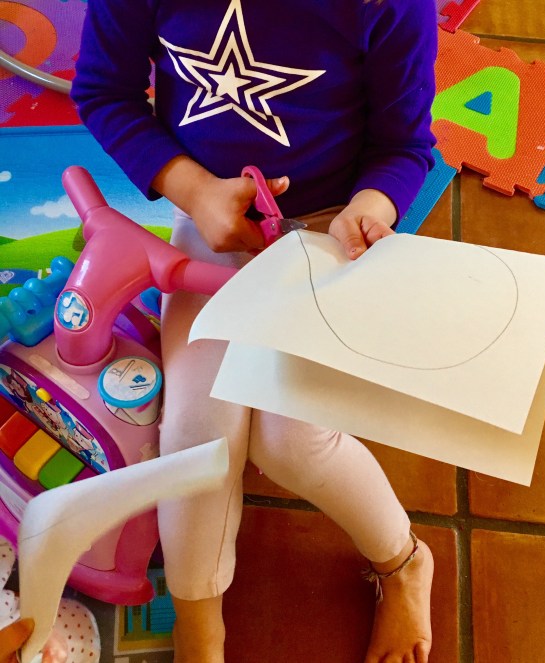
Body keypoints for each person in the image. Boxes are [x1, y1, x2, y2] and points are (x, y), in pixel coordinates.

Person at [72, 1, 438, 661]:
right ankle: (198, 622)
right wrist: (194, 192)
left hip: (330, 230)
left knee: (292, 441)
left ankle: (405, 560)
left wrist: (369, 207)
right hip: (209, 217)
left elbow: (404, 147)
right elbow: (104, 91)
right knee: (194, 433)